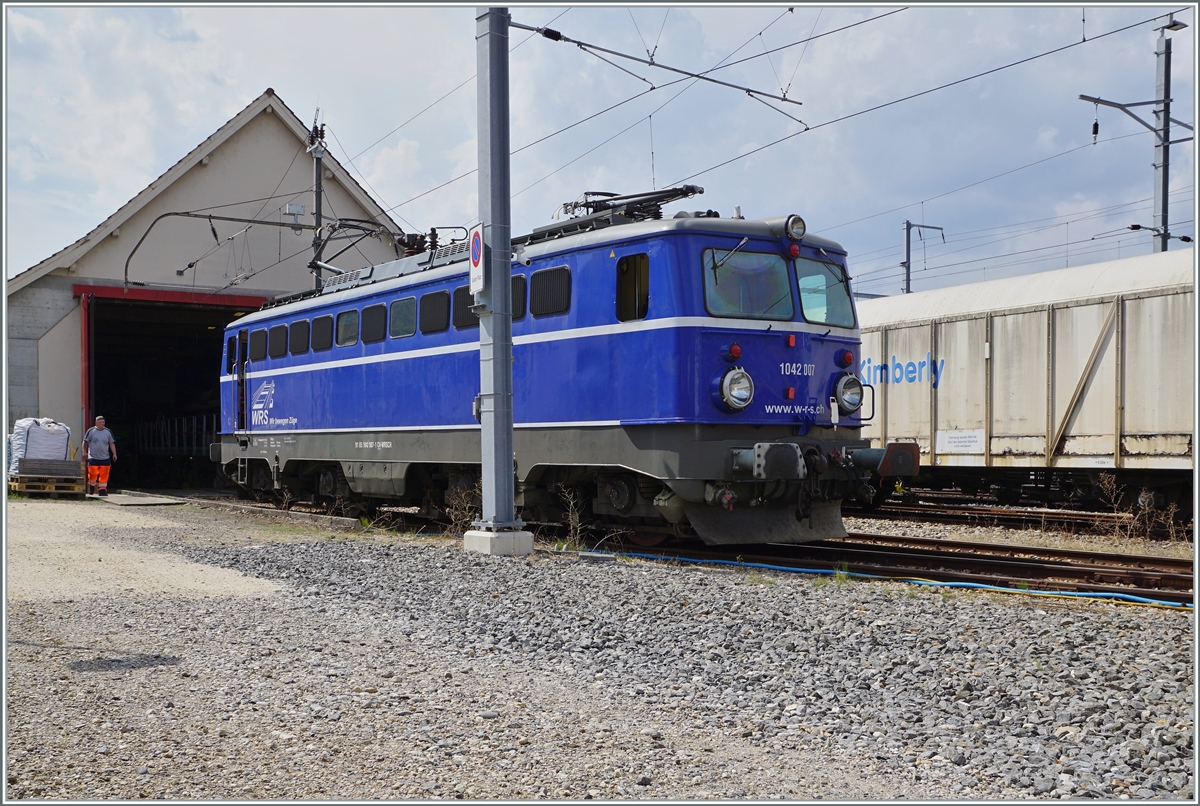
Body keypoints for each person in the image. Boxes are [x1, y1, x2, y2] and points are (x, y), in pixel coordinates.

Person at [82, 415, 117, 496]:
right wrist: (84, 451)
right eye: (101, 422)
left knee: (104, 475)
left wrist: (114, 453)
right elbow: (85, 441)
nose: (103, 424)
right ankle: (92, 487)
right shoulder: (91, 431)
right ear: (96, 423)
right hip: (93, 457)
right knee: (92, 474)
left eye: (103, 422)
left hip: (105, 458)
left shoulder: (108, 432)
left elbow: (111, 443)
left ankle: (102, 490)